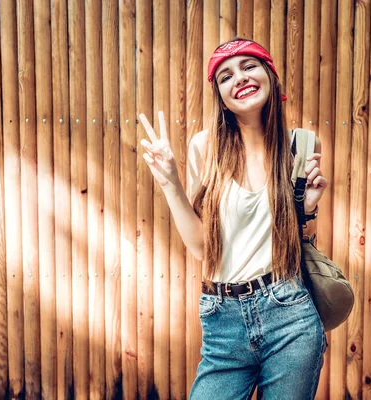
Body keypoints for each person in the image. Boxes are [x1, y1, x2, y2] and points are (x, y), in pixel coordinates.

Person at [138, 37, 328, 399]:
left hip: (289, 312)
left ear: (269, 75)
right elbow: (201, 248)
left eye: (248, 66)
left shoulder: (302, 144)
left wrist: (307, 207)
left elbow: (287, 233)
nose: (239, 78)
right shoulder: (205, 148)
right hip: (222, 320)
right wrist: (170, 182)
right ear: (221, 97)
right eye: (225, 76)